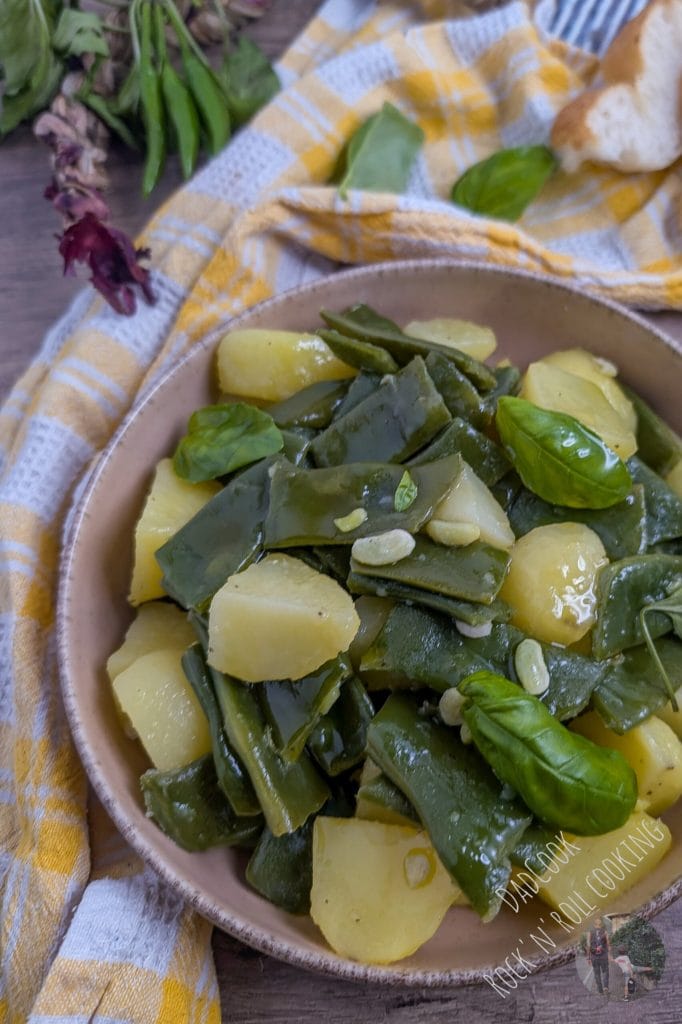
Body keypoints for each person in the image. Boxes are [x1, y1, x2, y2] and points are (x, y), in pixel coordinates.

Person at [587, 917, 610, 996]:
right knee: (605, 971)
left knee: (597, 974)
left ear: (594, 925)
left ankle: (600, 991)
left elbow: (588, 946)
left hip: (594, 956)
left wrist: (589, 958)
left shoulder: (590, 933)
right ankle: (605, 987)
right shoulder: (605, 932)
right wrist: (609, 955)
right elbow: (608, 945)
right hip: (603, 955)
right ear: (601, 925)